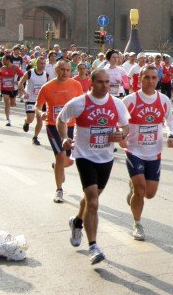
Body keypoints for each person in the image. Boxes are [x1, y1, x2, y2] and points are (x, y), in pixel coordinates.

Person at [58, 68, 130, 264]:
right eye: (100, 82)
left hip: (106, 157)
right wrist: (65, 138)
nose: (105, 86)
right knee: (94, 202)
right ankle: (93, 247)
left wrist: (121, 134)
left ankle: (77, 222)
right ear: (92, 83)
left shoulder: (117, 104)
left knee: (91, 199)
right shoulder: (79, 103)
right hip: (84, 156)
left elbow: (126, 126)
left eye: (108, 82)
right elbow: (61, 119)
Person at [121, 65, 173, 240]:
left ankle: (133, 188)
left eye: (153, 78)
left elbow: (170, 120)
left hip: (154, 152)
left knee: (149, 193)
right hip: (134, 150)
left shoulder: (164, 100)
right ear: (140, 79)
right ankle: (137, 224)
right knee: (140, 189)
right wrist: (121, 135)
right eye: (147, 77)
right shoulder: (130, 100)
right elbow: (119, 121)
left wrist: (171, 134)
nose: (150, 81)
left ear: (157, 80)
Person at [36, 59, 84, 203]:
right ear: (56, 70)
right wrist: (41, 113)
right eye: (62, 69)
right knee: (60, 157)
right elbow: (37, 106)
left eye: (68, 70)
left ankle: (58, 167)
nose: (65, 73)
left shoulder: (76, 85)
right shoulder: (47, 87)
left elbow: (82, 104)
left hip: (71, 126)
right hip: (53, 126)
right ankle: (59, 190)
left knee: (68, 161)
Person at [17, 56, 48, 145]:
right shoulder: (30, 72)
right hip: (30, 99)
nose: (42, 65)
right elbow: (20, 83)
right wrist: (24, 92)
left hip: (41, 101)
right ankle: (27, 122)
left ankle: (35, 137)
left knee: (40, 120)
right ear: (36, 64)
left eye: (44, 64)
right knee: (30, 119)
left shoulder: (46, 75)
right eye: (41, 63)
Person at [0, 55, 24, 127]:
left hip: (13, 89)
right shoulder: (2, 68)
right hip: (4, 88)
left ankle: (12, 104)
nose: (2, 62)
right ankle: (8, 119)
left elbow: (22, 75)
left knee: (12, 104)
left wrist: (18, 81)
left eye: (3, 60)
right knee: (6, 103)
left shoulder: (15, 68)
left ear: (8, 60)